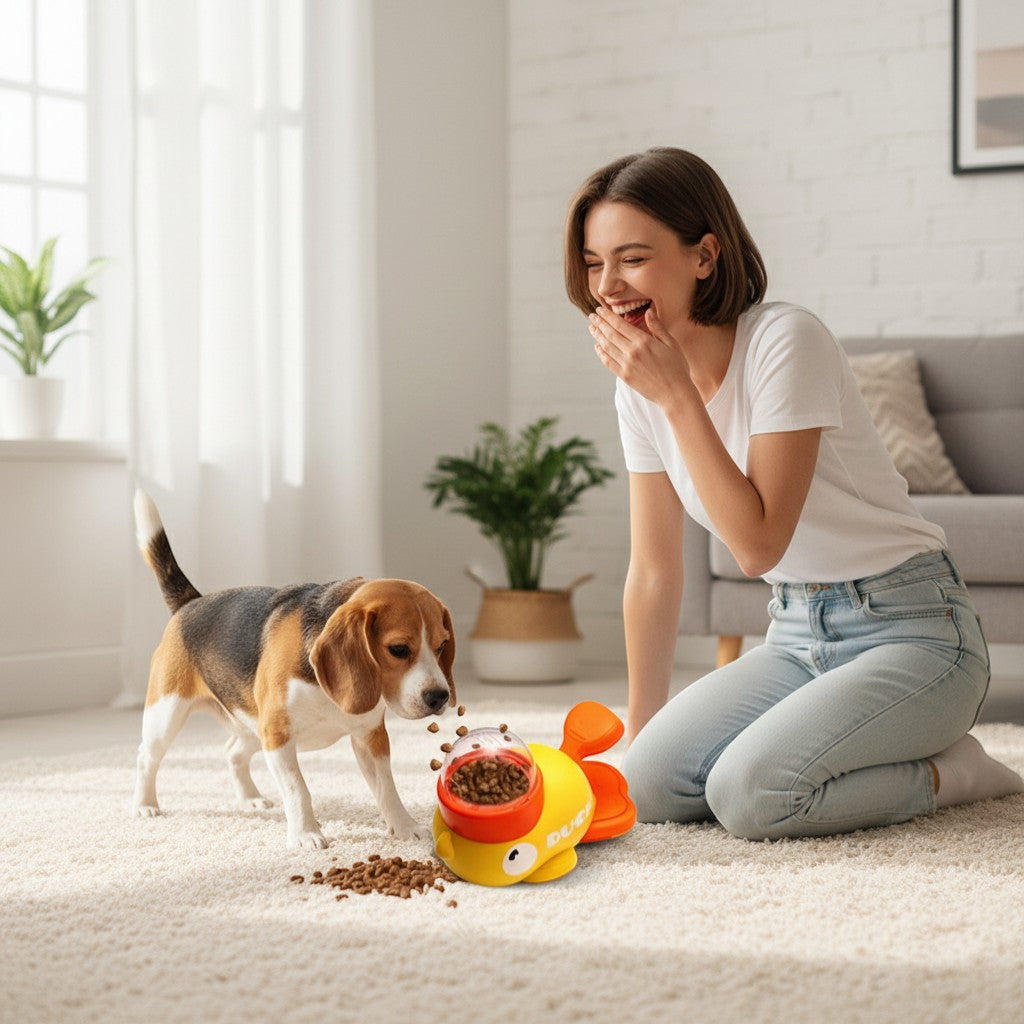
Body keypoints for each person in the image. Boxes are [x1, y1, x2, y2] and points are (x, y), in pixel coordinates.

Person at [564, 147, 1023, 840]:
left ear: (705, 255)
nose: (609, 286)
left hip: (916, 631)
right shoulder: (641, 389)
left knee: (749, 795)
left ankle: (951, 772)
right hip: (796, 635)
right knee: (650, 786)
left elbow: (756, 543)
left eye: (631, 258)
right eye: (595, 264)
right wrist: (642, 728)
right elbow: (655, 571)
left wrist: (676, 395)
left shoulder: (784, 340)